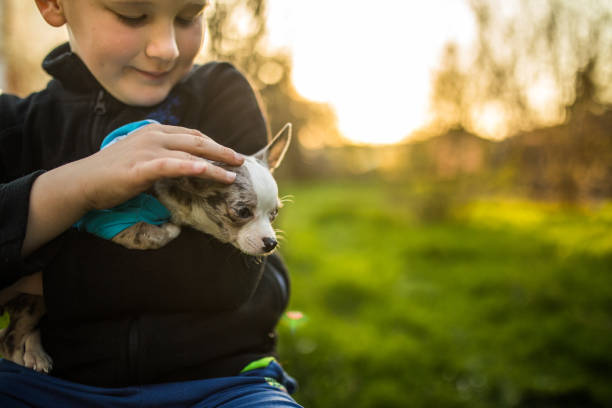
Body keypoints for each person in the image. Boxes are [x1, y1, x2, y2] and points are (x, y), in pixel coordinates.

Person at [0, 0, 302, 406]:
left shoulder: (221, 94)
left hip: (224, 384)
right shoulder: (15, 128)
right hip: (40, 382)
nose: (167, 48)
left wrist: (33, 280)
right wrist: (75, 186)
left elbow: (230, 275)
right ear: (54, 5)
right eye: (132, 15)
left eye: (188, 16)